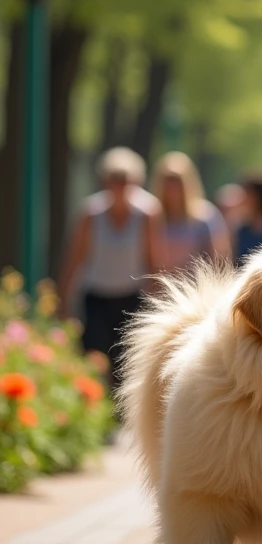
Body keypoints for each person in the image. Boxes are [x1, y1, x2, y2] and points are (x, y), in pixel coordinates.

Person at [59, 147, 161, 391]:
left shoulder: (147, 212)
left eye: (126, 180)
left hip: (130, 296)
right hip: (97, 296)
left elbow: (153, 260)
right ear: (105, 181)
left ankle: (119, 416)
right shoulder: (90, 214)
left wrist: (156, 300)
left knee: (125, 359)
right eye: (115, 180)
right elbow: (75, 259)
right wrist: (63, 300)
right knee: (94, 355)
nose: (120, 186)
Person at [151, 152, 229, 271]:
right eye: (168, 183)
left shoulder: (205, 217)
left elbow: (219, 257)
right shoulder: (152, 218)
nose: (172, 190)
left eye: (176, 183)